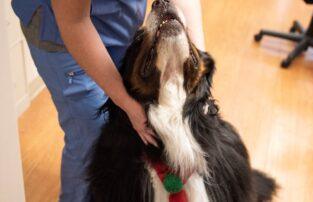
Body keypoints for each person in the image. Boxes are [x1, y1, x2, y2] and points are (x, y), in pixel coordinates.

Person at [11, 0, 205, 201]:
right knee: (90, 138)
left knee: (123, 133)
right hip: (63, 35)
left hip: (118, 18)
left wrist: (197, 65)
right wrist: (126, 103)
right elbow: (74, 23)